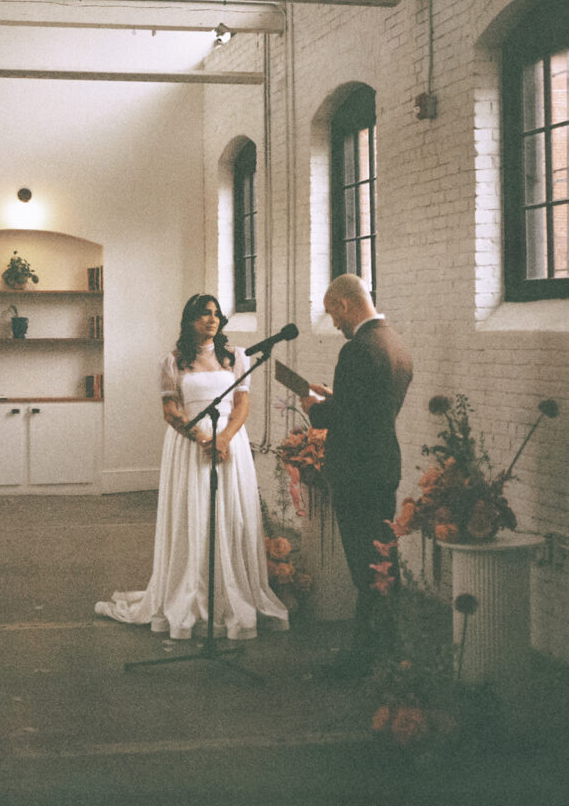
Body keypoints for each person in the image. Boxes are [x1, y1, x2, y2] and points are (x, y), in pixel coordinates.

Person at [95, 294, 289, 640]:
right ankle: (190, 594)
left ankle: (232, 594)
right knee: (193, 516)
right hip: (189, 447)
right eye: (204, 314)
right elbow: (170, 411)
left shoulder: (237, 357)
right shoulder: (172, 362)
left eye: (216, 314)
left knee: (230, 516)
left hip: (230, 445)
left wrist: (224, 438)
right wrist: (202, 439)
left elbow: (242, 405)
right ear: (190, 320)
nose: (212, 320)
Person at [301, 274, 413, 678]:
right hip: (382, 464)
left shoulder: (356, 350)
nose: (334, 323)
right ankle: (388, 645)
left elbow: (347, 420)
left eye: (333, 313)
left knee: (365, 568)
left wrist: (314, 407)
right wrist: (338, 397)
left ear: (345, 304)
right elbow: (368, 407)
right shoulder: (394, 343)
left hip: (357, 472)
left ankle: (365, 658)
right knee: (381, 560)